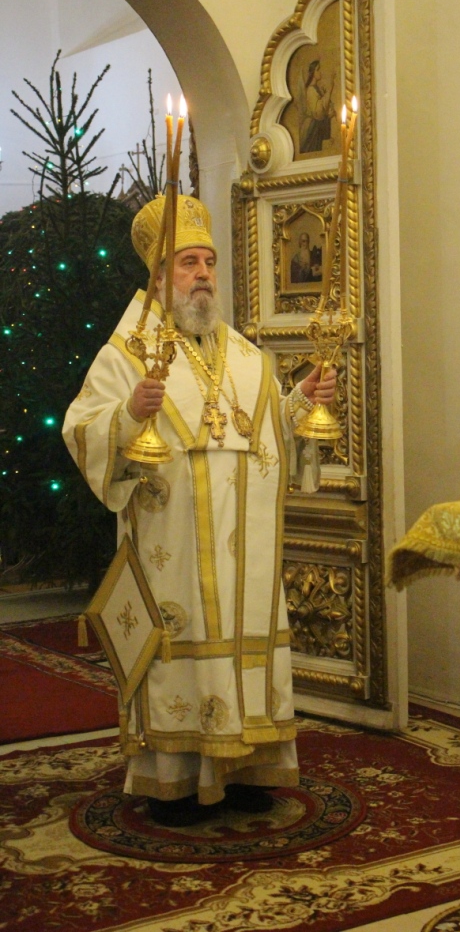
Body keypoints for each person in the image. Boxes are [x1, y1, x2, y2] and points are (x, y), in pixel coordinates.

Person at [63, 194, 336, 826]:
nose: (204, 275)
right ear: (159, 277)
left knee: (244, 645)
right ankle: (176, 781)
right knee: (179, 652)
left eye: (208, 262)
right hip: (174, 548)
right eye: (189, 263)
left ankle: (246, 768)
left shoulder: (243, 353)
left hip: (243, 554)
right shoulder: (127, 353)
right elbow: (81, 428)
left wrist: (299, 400)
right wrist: (128, 412)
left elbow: (265, 434)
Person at [299, 59, 335, 154]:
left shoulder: (316, 88)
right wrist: (329, 91)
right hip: (313, 129)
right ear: (313, 73)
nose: (320, 72)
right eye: (318, 69)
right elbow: (318, 112)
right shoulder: (311, 90)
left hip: (319, 127)